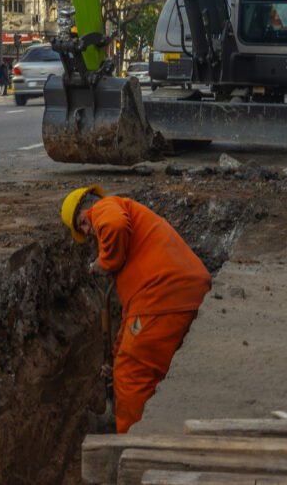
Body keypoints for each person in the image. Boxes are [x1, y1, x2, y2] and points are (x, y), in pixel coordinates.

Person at [61, 186, 211, 434]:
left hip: (164, 297)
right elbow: (133, 315)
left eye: (83, 224)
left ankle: (129, 442)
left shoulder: (105, 207)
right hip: (173, 295)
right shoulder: (135, 243)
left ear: (87, 209)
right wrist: (117, 355)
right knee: (138, 368)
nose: (88, 232)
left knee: (130, 375)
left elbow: (115, 224)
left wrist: (105, 262)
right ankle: (153, 428)